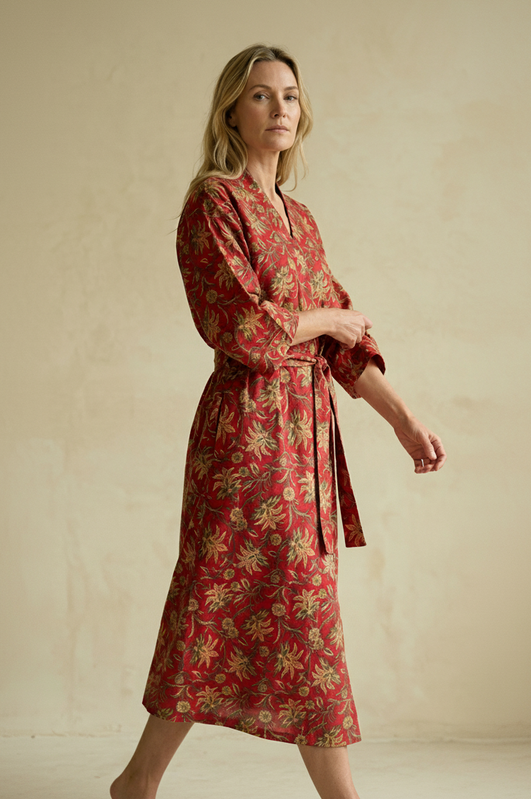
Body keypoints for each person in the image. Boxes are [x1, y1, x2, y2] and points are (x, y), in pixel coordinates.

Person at [110, 44, 446, 799]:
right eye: (260, 97)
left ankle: (136, 781)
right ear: (232, 110)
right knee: (219, 603)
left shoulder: (299, 218)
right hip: (244, 434)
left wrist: (404, 420)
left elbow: (345, 349)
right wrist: (326, 313)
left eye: (289, 96)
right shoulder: (212, 203)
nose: (278, 110)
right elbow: (240, 326)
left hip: (305, 440)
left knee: (286, 610)